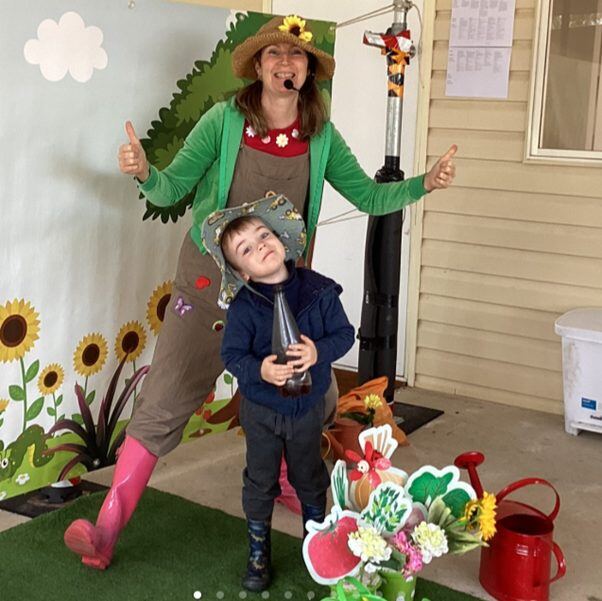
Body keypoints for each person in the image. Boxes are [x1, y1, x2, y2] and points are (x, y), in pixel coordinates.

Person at [63, 14, 457, 570]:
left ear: (308, 73)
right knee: (166, 397)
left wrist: (425, 183)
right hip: (205, 283)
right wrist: (145, 171)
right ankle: (105, 529)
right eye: (274, 55)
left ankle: (292, 487)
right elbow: (173, 186)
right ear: (259, 67)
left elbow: (369, 197)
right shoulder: (224, 120)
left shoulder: (319, 136)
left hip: (279, 294)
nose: (284, 63)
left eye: (296, 56)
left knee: (298, 395)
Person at [202, 195, 354, 591]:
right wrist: (261, 370)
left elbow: (344, 334)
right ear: (243, 273)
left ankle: (315, 542)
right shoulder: (244, 307)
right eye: (246, 249)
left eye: (263, 235)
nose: (260, 246)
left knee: (309, 474)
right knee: (260, 479)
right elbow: (232, 354)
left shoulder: (319, 292)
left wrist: (319, 350)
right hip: (262, 411)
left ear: (282, 241)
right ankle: (258, 551)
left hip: (307, 408)